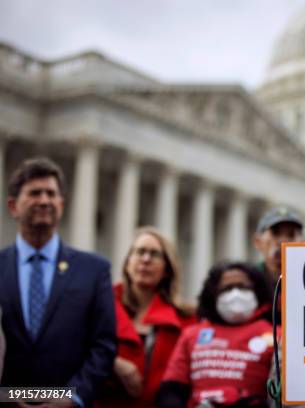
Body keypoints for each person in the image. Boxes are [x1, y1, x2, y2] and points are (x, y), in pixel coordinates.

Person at [0, 157, 116, 407]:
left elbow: (103, 346)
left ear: (61, 205)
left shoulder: (94, 271)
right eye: (34, 193)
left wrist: (72, 397)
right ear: (13, 206)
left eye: (51, 194)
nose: (44, 200)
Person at [95, 227, 196, 407]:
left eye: (155, 254)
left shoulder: (187, 320)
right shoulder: (97, 306)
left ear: (167, 269)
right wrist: (112, 363)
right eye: (140, 252)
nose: (146, 259)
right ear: (127, 263)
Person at [157, 261, 274, 408]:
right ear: (214, 295)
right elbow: (171, 391)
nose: (235, 294)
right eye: (227, 288)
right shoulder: (191, 335)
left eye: (242, 287)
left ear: (257, 291)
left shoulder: (276, 335)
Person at [253, 207, 304, 298]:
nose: (283, 240)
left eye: (291, 234)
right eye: (275, 233)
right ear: (258, 241)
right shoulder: (250, 281)